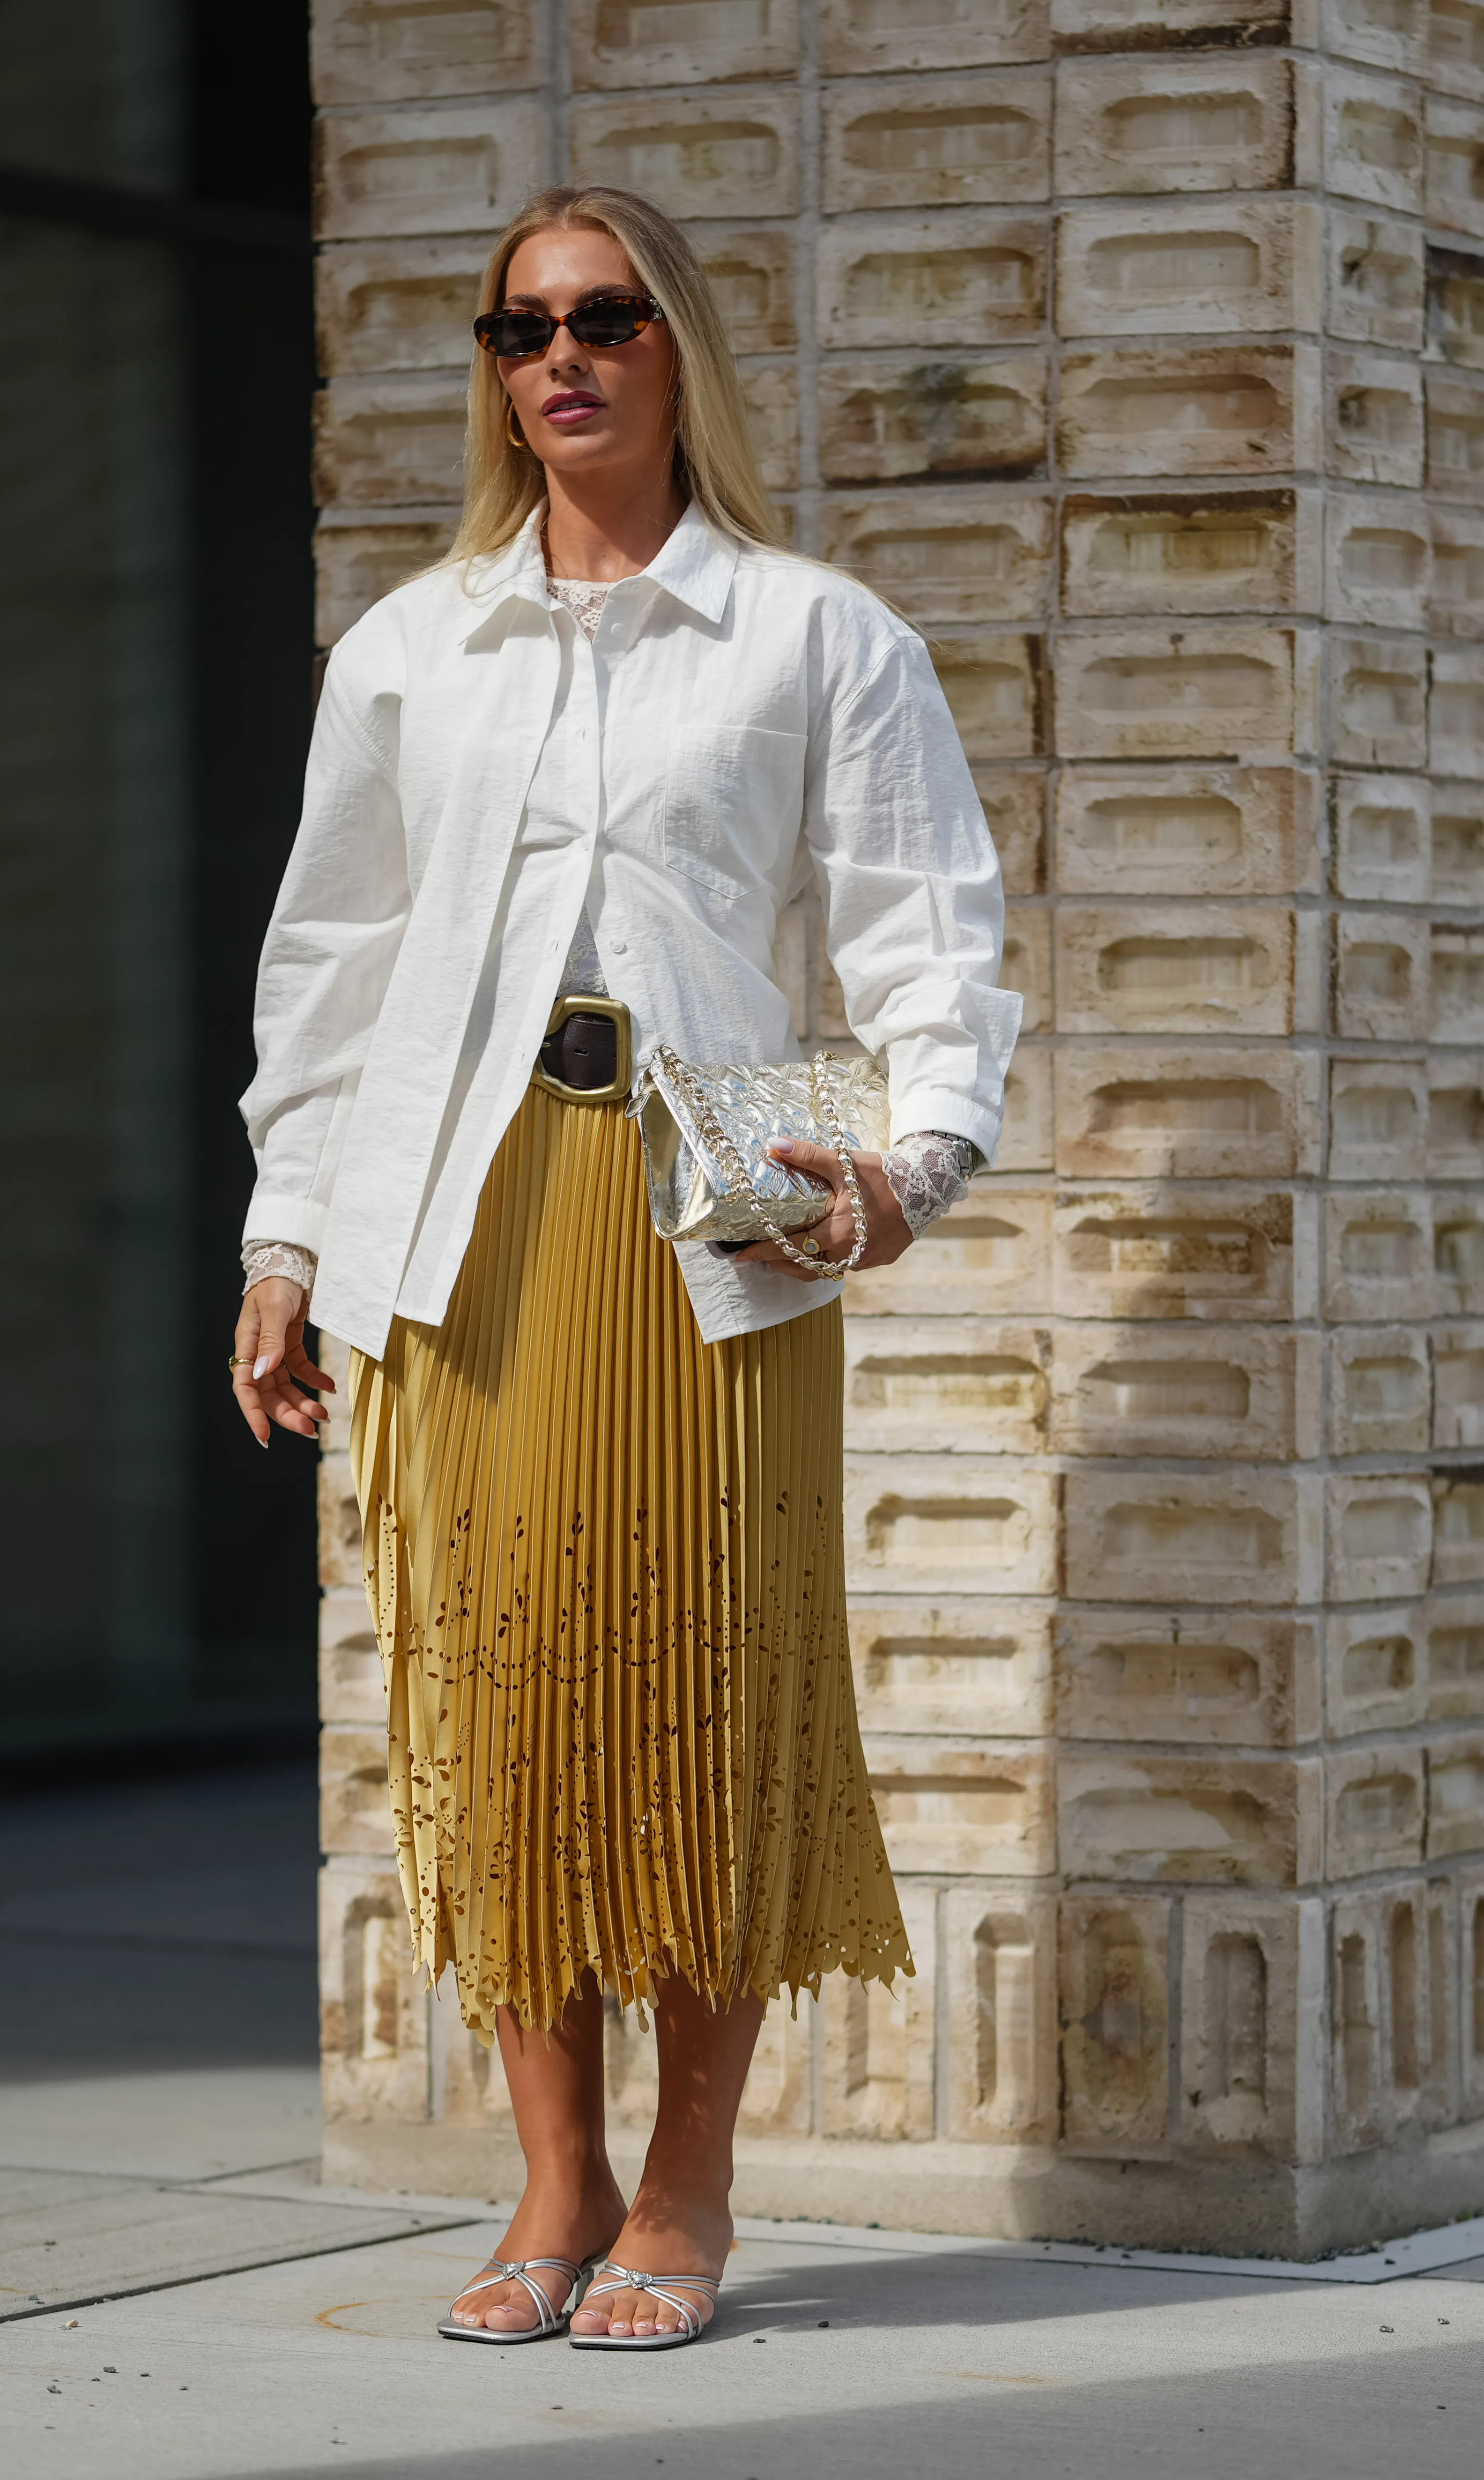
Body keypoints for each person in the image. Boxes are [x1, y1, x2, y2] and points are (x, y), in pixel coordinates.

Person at [228, 184, 1018, 2352]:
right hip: (454, 1221)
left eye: (601, 318)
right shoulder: (408, 649)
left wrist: (915, 1162)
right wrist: (285, 1235)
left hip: (706, 1230)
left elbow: (926, 928)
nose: (557, 358)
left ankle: (691, 2179)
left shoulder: (813, 635)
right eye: (514, 330)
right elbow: (333, 964)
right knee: (495, 1692)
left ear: (677, 347)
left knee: (699, 1686)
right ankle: (551, 2170)